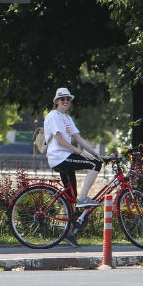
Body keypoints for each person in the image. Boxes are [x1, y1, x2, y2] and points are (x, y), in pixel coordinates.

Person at [43, 87, 103, 245]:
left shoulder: (67, 119)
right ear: (56, 101)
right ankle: (83, 198)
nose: (65, 101)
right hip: (59, 156)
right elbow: (61, 141)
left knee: (70, 197)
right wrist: (81, 153)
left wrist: (96, 153)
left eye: (67, 99)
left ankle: (69, 233)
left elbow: (79, 139)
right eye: (62, 99)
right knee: (94, 165)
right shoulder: (53, 116)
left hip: (66, 157)